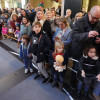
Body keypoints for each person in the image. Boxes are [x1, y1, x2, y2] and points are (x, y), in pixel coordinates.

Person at [70, 5, 100, 90]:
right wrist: (87, 35)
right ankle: (73, 83)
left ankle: (86, 84)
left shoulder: (98, 23)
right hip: (79, 51)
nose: (95, 20)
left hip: (92, 52)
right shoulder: (79, 22)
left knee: (90, 69)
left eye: (97, 19)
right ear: (89, 13)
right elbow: (73, 36)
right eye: (93, 18)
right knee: (76, 68)